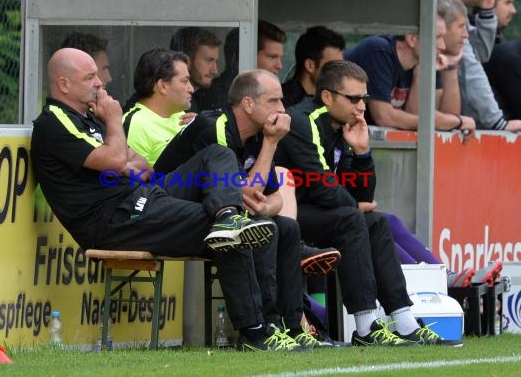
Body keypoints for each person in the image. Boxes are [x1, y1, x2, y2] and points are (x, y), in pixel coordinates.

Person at [30, 47, 317, 352]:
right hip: (115, 219)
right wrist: (114, 123)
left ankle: (229, 221)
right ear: (64, 84)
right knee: (243, 230)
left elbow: (141, 165)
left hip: (145, 196)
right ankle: (257, 333)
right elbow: (118, 159)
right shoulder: (53, 123)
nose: (100, 84)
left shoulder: (89, 118)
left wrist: (118, 155)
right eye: (90, 78)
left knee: (218, 162)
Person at [154, 69, 345, 348]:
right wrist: (270, 144)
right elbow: (241, 191)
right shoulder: (215, 127)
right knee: (261, 227)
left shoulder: (257, 133)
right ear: (247, 104)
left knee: (287, 227)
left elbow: (273, 197)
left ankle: (293, 328)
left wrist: (265, 203)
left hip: (217, 216)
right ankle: (265, 327)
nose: (282, 109)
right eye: (274, 101)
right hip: (171, 213)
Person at [276, 59, 454, 346]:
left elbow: (361, 195)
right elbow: (322, 187)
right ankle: (366, 326)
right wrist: (355, 206)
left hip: (323, 213)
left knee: (377, 222)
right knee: (353, 218)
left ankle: (404, 320)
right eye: (354, 98)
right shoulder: (303, 121)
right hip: (288, 215)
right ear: (327, 97)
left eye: (365, 98)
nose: (361, 106)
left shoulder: (343, 125)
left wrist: (362, 153)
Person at [345, 8, 476, 136]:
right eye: (438, 37)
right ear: (412, 39)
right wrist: (457, 122)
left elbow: (420, 115)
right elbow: (384, 117)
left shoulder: (425, 59)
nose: (443, 46)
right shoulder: (378, 51)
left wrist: (437, 70)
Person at [456, 0, 521, 130]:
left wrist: (487, 8)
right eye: (508, 2)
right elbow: (469, 65)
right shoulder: (442, 7)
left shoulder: (458, 10)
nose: (514, 10)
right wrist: (498, 123)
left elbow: (481, 55)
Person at [123, 48, 195, 166]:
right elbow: (130, 180)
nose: (191, 89)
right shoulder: (137, 123)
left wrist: (201, 130)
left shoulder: (184, 117)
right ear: (163, 86)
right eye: (185, 81)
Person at [281, 26, 345, 108]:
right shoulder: (283, 102)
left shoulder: (329, 100)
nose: (340, 72)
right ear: (310, 65)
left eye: (341, 66)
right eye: (333, 66)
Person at [169, 27, 222, 112]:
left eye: (216, 61)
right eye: (209, 60)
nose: (215, 71)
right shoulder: (172, 102)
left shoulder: (199, 99)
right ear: (186, 61)